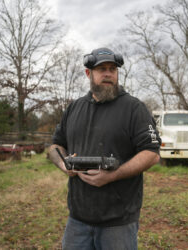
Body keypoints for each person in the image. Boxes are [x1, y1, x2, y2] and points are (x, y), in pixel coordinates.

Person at [48, 47, 161, 250]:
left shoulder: (134, 109)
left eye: (112, 69)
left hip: (118, 221)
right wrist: (64, 164)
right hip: (78, 219)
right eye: (102, 69)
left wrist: (113, 175)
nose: (108, 73)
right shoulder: (74, 108)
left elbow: (151, 153)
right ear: (88, 73)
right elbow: (55, 146)